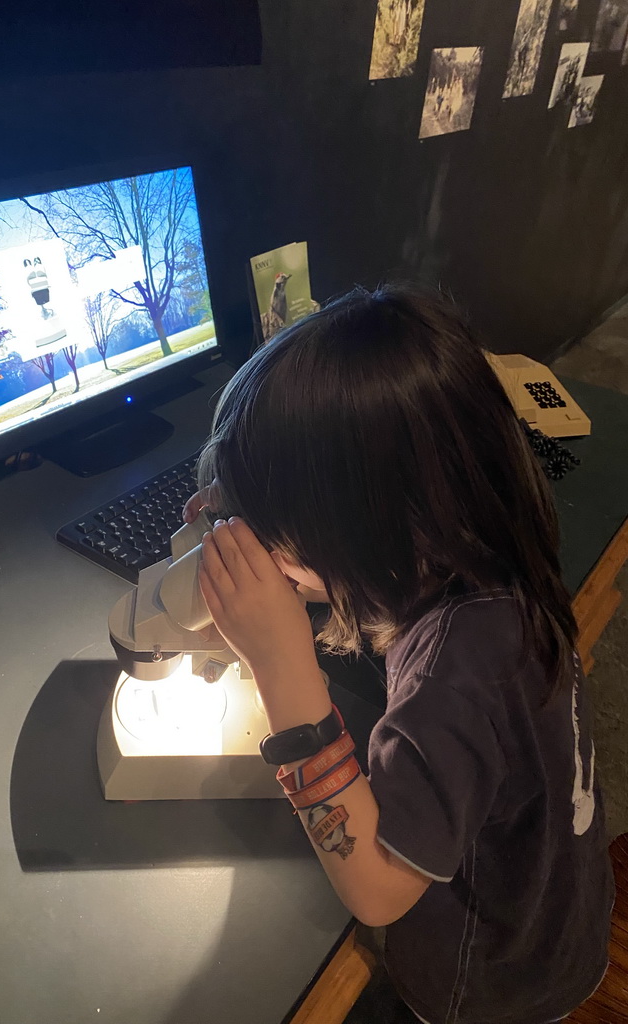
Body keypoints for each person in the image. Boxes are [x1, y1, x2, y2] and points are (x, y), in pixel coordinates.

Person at [182, 285, 614, 1024]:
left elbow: (379, 887)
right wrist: (265, 513)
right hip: (561, 912)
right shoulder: (485, 545)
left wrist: (281, 667)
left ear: (364, 525)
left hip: (495, 981)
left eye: (285, 532)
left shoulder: (459, 672)